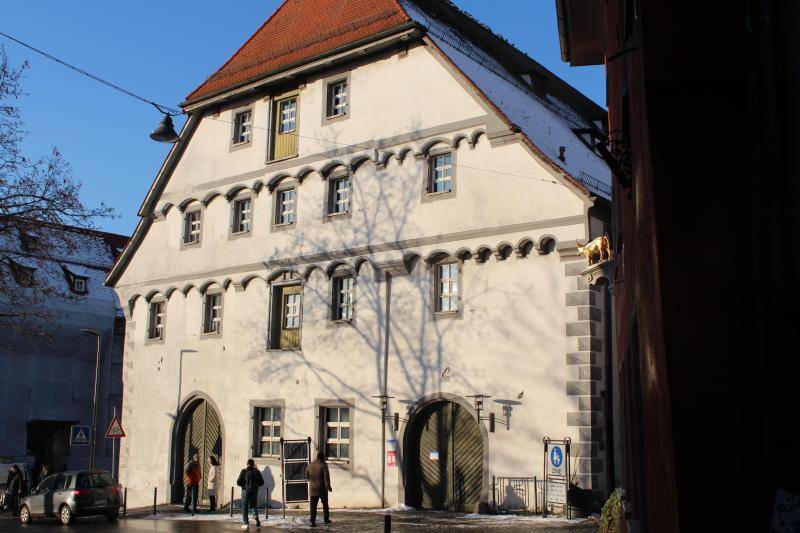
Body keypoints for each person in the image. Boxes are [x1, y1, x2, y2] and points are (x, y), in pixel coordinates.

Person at [305, 452, 332, 527]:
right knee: (325, 505)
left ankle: (312, 522)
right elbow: (326, 477)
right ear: (322, 458)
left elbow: (306, 473)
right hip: (322, 489)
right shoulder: (323, 464)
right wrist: (328, 487)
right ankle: (326, 520)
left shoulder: (311, 464)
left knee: (313, 507)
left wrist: (310, 481)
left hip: (313, 489)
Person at [236, 459, 263, 529]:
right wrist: (255, 486)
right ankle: (255, 516)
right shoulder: (257, 471)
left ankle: (246, 523)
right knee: (253, 505)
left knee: (245, 507)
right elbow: (262, 482)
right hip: (254, 491)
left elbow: (238, 482)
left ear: (247, 464)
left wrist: (244, 486)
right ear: (253, 464)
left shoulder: (244, 471)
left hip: (245, 491)